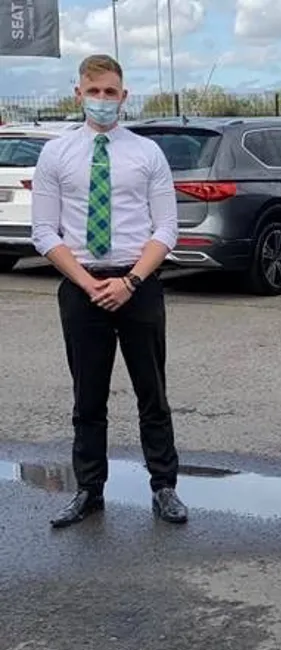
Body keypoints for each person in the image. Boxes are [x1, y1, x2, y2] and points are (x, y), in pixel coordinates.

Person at [30, 54, 187, 529]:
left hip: (137, 284)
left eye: (110, 91)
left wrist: (131, 281)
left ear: (124, 95)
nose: (102, 100)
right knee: (88, 397)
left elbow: (167, 229)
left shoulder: (146, 154)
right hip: (83, 286)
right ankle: (88, 491)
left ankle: (164, 487)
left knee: (152, 393)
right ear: (78, 94)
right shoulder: (56, 155)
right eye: (93, 91)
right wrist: (88, 282)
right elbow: (44, 232)